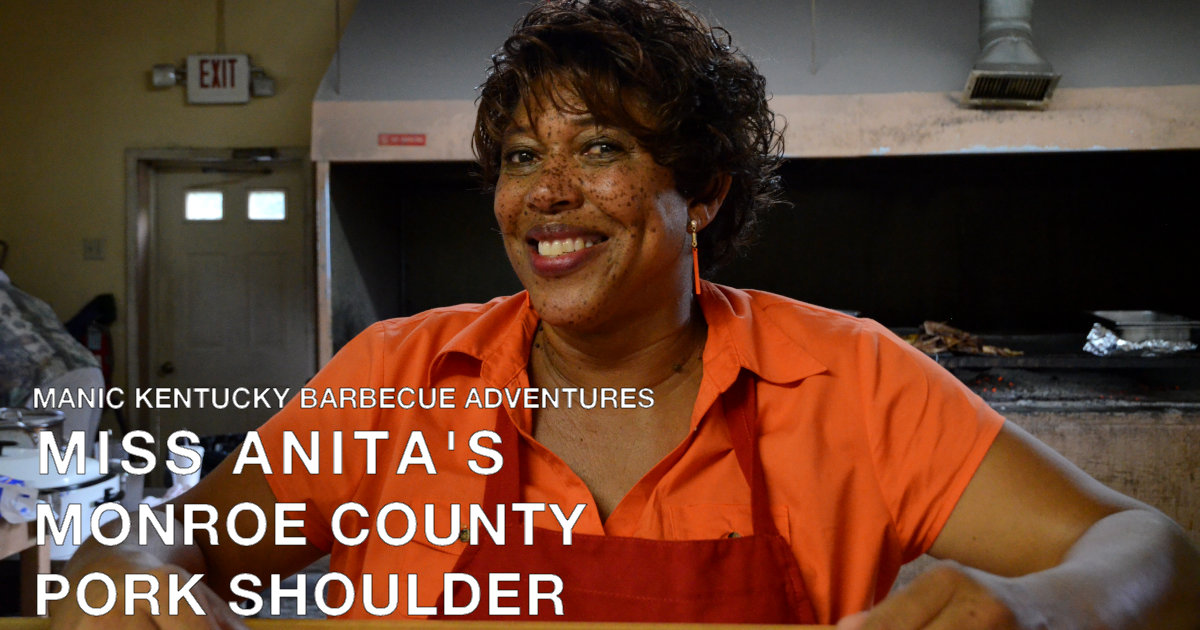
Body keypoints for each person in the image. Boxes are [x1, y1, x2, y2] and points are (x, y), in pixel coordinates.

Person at [54, 0, 1198, 627]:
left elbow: (1156, 549)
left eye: (599, 147)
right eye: (517, 155)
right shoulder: (401, 371)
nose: (543, 192)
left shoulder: (845, 379)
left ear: (702, 191)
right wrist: (126, 563)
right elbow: (180, 531)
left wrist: (1042, 609)